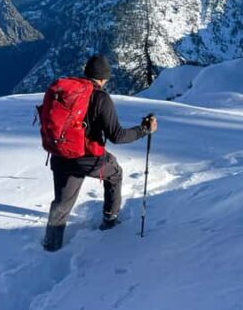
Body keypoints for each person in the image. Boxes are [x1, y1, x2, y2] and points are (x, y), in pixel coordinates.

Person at [42, 54, 157, 252]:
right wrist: (144, 130)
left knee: (62, 203)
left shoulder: (66, 93)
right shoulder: (101, 98)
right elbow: (118, 136)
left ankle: (51, 245)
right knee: (115, 173)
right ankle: (110, 219)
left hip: (61, 155)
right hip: (88, 158)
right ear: (104, 78)